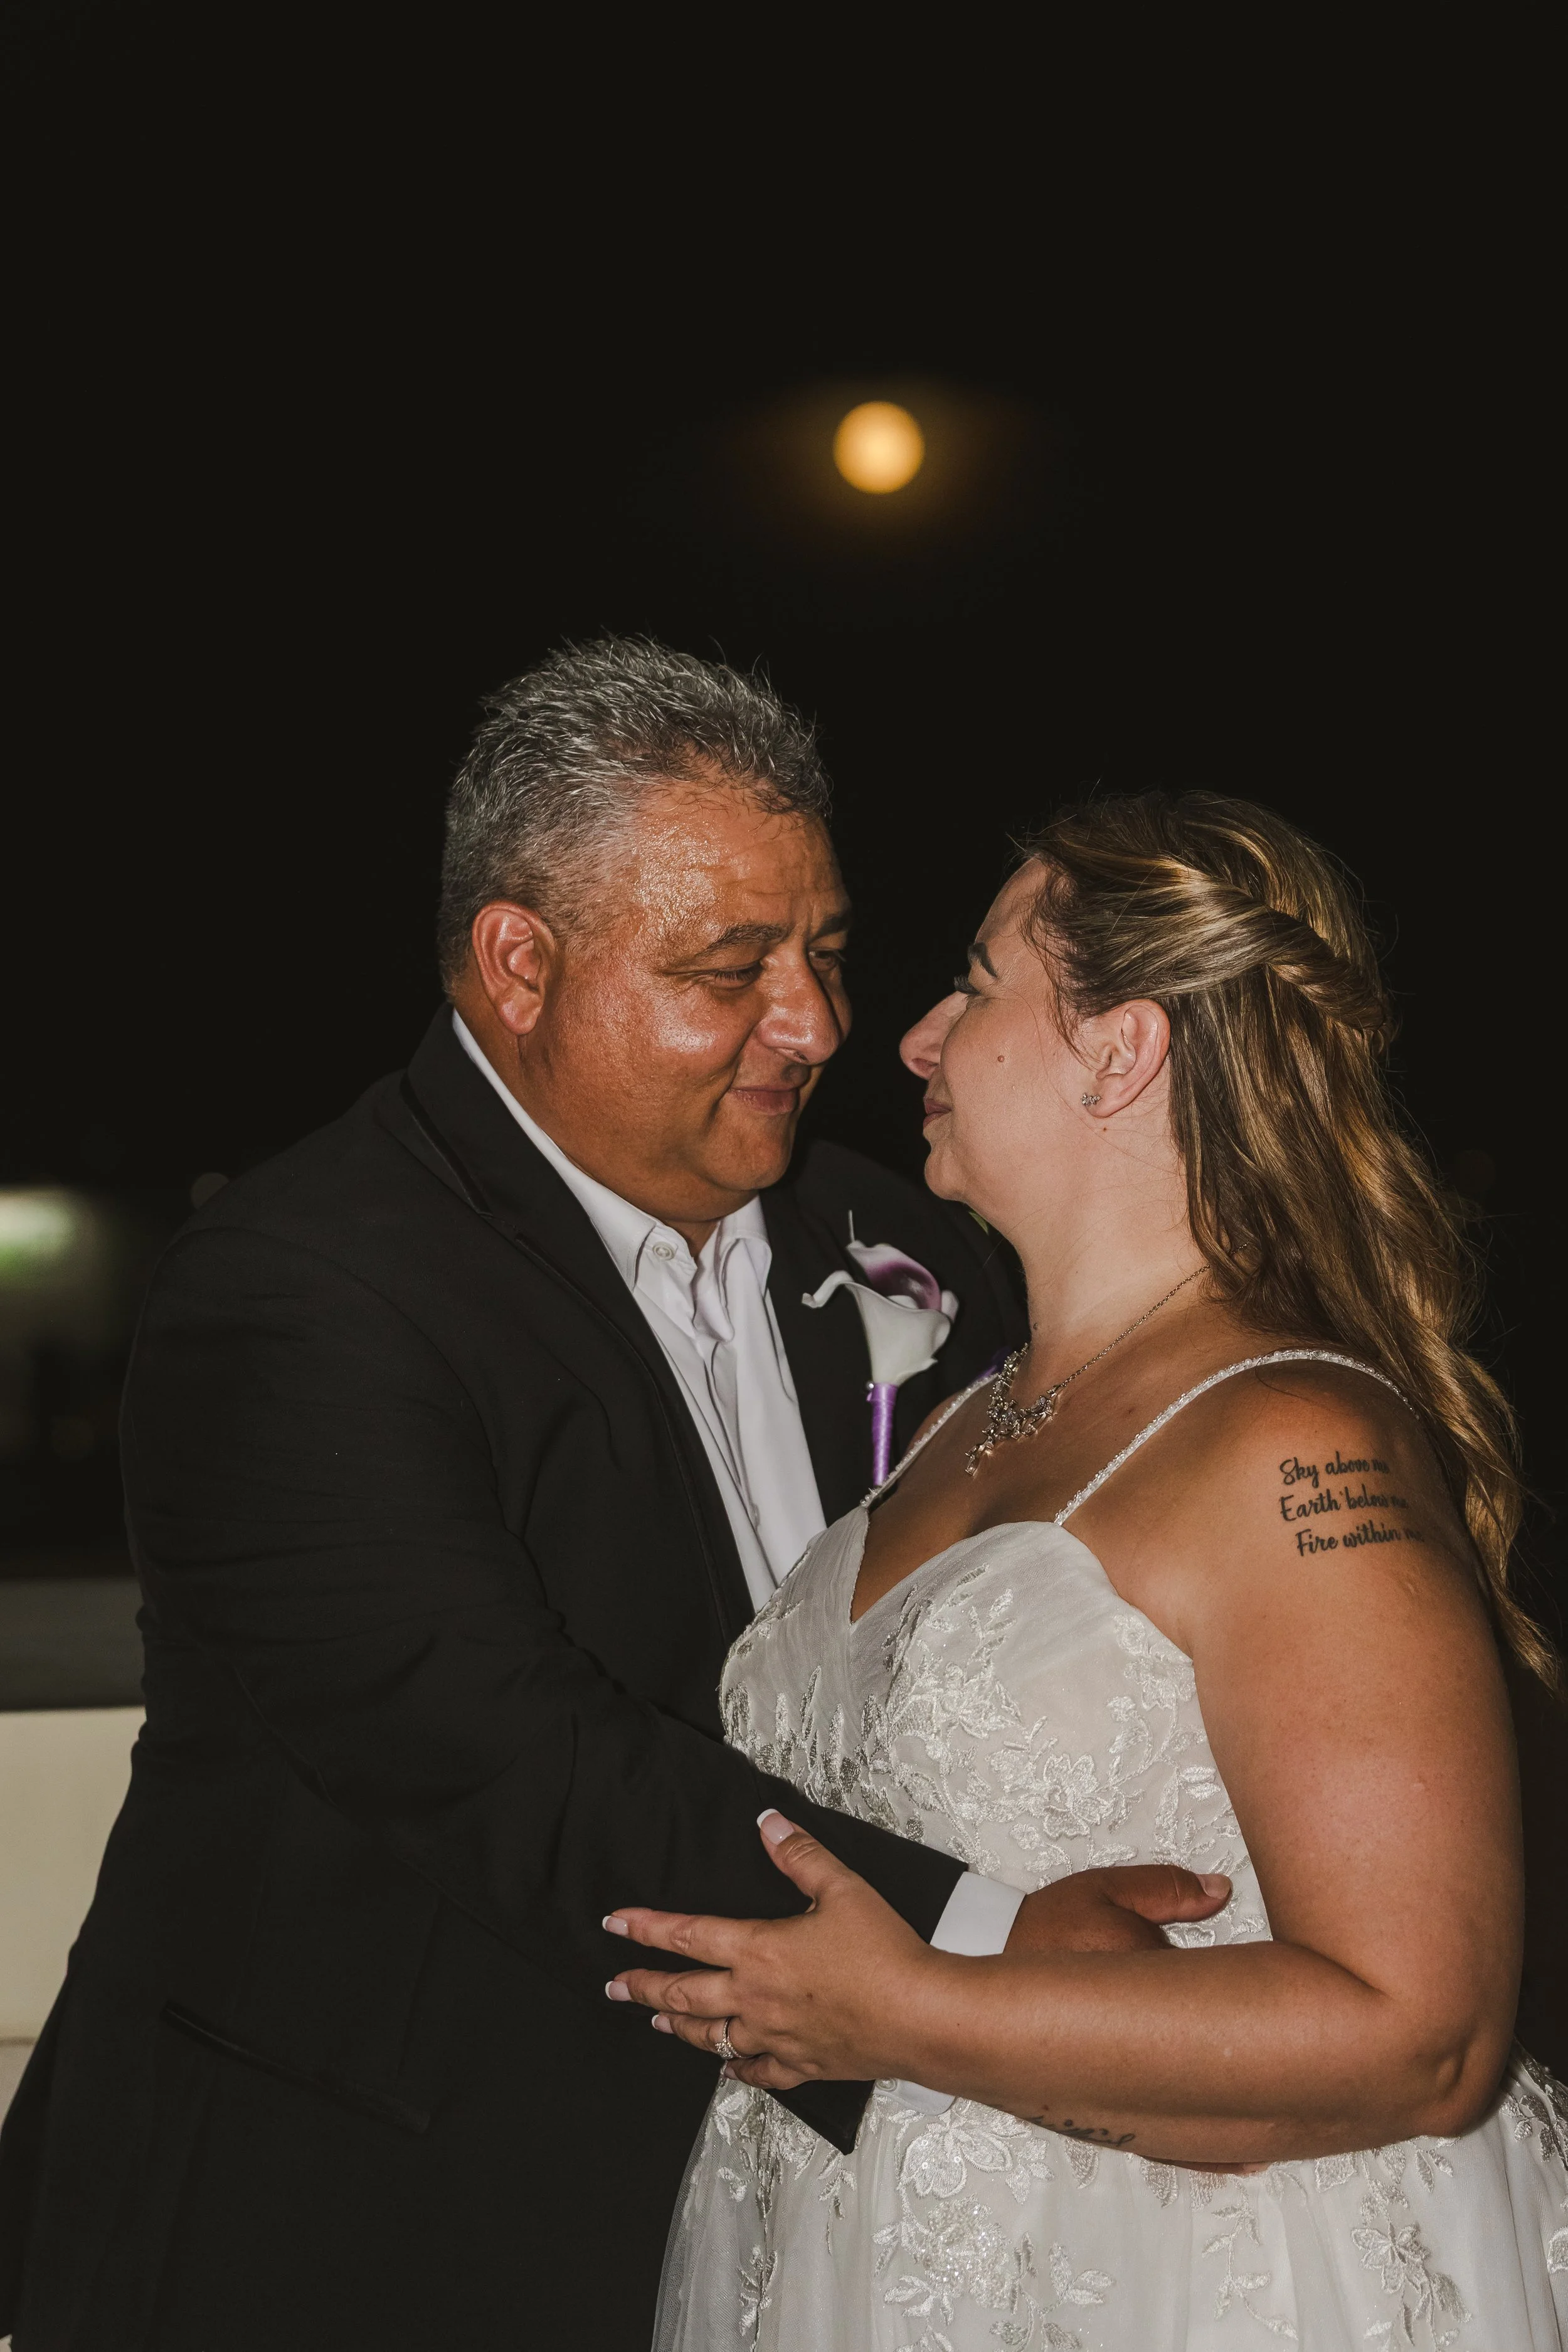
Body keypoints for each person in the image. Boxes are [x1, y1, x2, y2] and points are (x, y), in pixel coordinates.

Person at [0, 643, 1223, 2352]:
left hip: (809, 2220)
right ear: (519, 963)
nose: (812, 1022)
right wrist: (984, 1940)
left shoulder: (909, 1238)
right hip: (362, 2218)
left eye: (825, 952)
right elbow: (495, 1740)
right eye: (729, 968)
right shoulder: (299, 1287)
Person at [609, 790, 1568, 2351]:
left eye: (978, 985)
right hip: (873, 2252)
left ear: (1121, 1050)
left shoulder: (1284, 1439)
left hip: (1186, 2278)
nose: (913, 1038)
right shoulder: (962, 1418)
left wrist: (907, 2014)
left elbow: (1421, 2033)